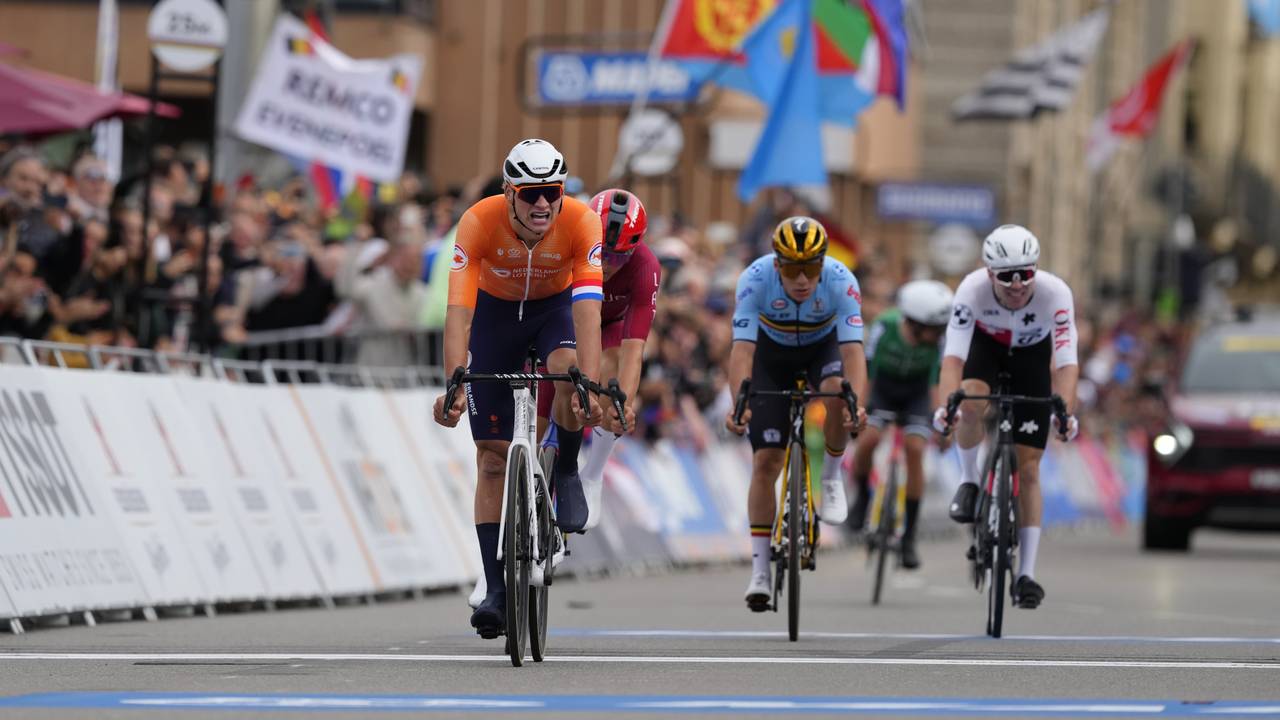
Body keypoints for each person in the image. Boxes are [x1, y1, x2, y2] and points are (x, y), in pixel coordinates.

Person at [431, 138, 604, 638]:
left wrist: (588, 386)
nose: (543, 204)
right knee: (491, 458)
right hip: (495, 317)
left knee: (569, 369)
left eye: (552, 191)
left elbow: (588, 310)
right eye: (531, 195)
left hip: (555, 314)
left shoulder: (581, 221)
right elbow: (459, 310)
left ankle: (566, 466)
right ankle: (496, 589)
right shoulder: (478, 221)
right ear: (509, 192)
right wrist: (454, 380)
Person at [724, 216, 869, 612]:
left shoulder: (842, 281)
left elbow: (854, 353)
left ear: (823, 265)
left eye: (811, 269)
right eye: (792, 269)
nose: (802, 280)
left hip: (823, 351)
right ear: (777, 266)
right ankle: (759, 572)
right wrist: (740, 401)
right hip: (772, 358)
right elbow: (742, 352)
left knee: (841, 391)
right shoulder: (754, 279)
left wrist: (858, 404)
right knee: (766, 461)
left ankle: (833, 476)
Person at [934, 224, 1080, 610]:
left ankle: (1027, 573)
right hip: (987, 348)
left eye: (1025, 275)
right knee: (970, 401)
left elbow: (1065, 363)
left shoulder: (1056, 293)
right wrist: (944, 405)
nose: (1017, 286)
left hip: (1032, 357)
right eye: (1006, 277)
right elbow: (953, 359)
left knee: (1029, 469)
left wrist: (1065, 411)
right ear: (988, 273)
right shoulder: (970, 290)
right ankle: (968, 481)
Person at [535, 188, 661, 530]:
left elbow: (634, 351)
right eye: (602, 252)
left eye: (619, 257)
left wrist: (625, 407)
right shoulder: (564, 240)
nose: (606, 264)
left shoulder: (645, 267)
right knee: (540, 420)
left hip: (610, 328)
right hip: (565, 321)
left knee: (612, 367)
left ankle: (592, 473)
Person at [847, 279, 953, 570]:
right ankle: (861, 497)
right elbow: (866, 370)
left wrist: (943, 422)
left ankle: (908, 537)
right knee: (868, 441)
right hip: (883, 389)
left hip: (917, 394)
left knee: (915, 449)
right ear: (916, 323)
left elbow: (938, 381)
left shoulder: (940, 341)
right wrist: (857, 410)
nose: (940, 333)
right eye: (936, 327)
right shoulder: (885, 326)